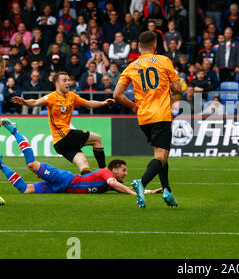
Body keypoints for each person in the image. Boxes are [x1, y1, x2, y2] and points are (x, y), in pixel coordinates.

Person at [0, 118, 162, 195]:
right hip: (64, 179)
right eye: (124, 170)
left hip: (62, 189)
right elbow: (122, 187)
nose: (126, 174)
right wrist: (136, 195)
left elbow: (126, 188)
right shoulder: (106, 174)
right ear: (115, 170)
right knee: (31, 165)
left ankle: (1, 164)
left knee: (25, 190)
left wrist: (149, 191)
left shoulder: (111, 184)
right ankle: (14, 130)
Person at [114, 31, 182, 209]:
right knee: (161, 156)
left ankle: (167, 191)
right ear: (154, 46)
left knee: (160, 155)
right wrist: (170, 86)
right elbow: (177, 87)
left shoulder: (131, 66)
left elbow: (117, 95)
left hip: (144, 117)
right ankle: (142, 182)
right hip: (161, 114)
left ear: (138, 46)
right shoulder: (163, 60)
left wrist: (134, 106)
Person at [11, 71, 115, 174]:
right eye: (64, 80)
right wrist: (24, 102)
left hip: (60, 144)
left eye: (68, 80)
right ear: (57, 83)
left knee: (84, 164)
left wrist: (103, 103)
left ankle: (87, 185)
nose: (68, 83)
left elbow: (88, 103)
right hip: (64, 135)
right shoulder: (51, 97)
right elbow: (35, 102)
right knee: (97, 139)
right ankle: (105, 172)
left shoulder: (72, 96)